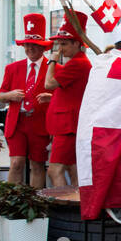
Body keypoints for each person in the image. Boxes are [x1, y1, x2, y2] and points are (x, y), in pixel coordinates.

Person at [0, 12, 54, 187]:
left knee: (37, 165)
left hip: (40, 123)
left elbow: (61, 97)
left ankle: (34, 204)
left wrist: (50, 98)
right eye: (26, 45)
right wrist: (10, 95)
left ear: (43, 48)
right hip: (17, 122)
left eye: (34, 45)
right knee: (16, 163)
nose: (29, 49)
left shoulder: (53, 68)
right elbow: (0, 95)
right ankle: (12, 202)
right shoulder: (12, 68)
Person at [43, 14, 92, 187]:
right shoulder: (78, 63)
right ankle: (76, 206)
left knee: (55, 170)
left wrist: (51, 61)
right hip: (69, 125)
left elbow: (49, 83)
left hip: (68, 126)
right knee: (73, 169)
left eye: (64, 44)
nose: (60, 49)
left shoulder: (78, 63)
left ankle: (65, 206)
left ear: (76, 44)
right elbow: (71, 91)